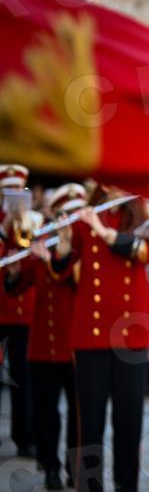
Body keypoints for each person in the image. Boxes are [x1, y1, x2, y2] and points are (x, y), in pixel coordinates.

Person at [51, 186, 149, 492]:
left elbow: (146, 252)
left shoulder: (140, 215)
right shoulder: (83, 218)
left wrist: (102, 230)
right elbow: (61, 272)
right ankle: (89, 491)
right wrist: (64, 243)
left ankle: (127, 490)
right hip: (91, 334)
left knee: (129, 421)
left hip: (131, 334)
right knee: (90, 422)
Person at [4, 183, 85, 490]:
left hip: (74, 346)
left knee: (79, 415)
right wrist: (15, 271)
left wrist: (52, 256)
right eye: (62, 216)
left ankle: (75, 469)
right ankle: (50, 467)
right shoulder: (41, 242)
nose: (65, 223)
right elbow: (19, 286)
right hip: (42, 345)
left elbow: (68, 275)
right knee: (45, 413)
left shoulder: (84, 251)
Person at [0, 164, 36, 458]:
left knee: (23, 377)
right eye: (7, 191)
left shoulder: (31, 222)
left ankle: (25, 437)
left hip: (23, 312)